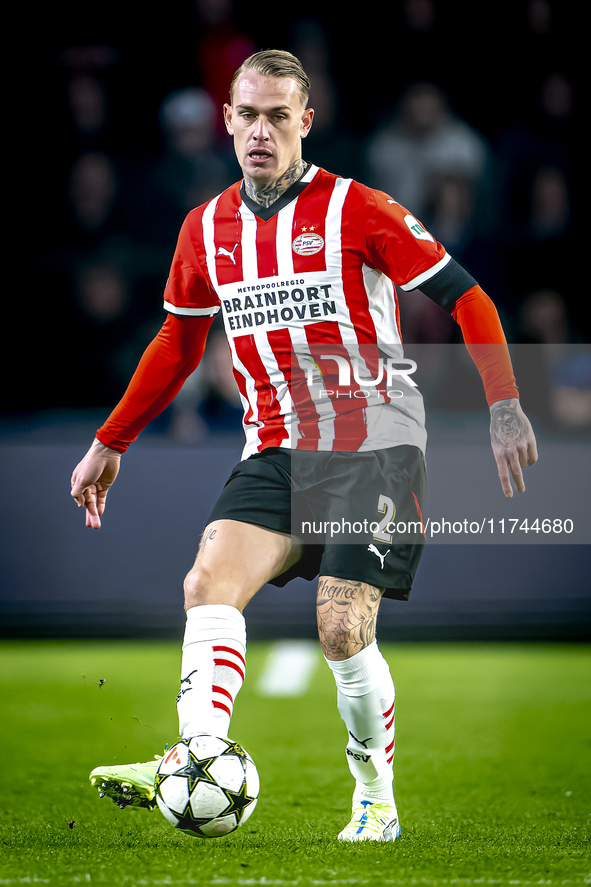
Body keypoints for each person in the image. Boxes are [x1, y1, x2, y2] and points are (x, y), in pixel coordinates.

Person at [71, 50, 538, 843]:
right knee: (207, 581)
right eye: (247, 114)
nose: (260, 131)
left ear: (304, 123)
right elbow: (177, 346)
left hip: (375, 446)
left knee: (341, 630)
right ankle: (196, 757)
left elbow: (468, 296)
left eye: (277, 116)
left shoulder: (359, 209)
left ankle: (374, 797)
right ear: (227, 121)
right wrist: (110, 440)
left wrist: (504, 405)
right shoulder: (206, 228)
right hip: (276, 449)